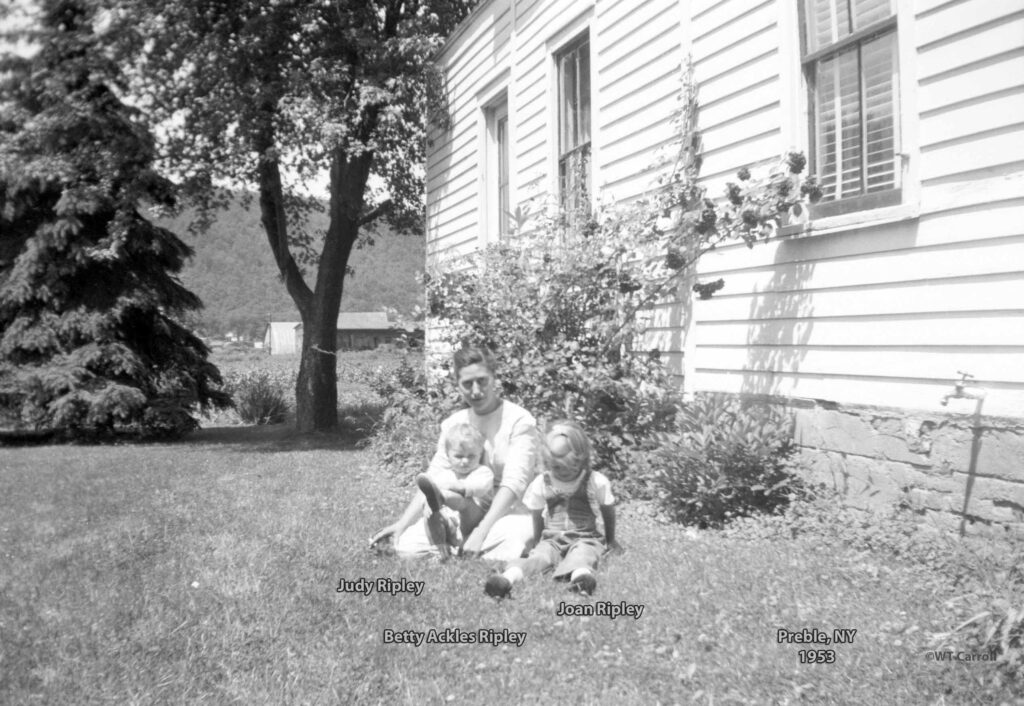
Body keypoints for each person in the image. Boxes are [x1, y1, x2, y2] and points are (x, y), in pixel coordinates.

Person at [369, 346, 540, 560]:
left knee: (516, 537)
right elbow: (433, 479)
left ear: (494, 378)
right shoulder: (455, 423)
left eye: (482, 381)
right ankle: (457, 544)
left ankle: (460, 545)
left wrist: (481, 531)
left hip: (506, 514)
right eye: (467, 383)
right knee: (405, 547)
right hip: (459, 513)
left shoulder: (519, 421)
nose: (476, 390)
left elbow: (515, 483)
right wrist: (402, 524)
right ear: (458, 384)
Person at [484, 420, 622, 599]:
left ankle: (581, 578)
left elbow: (608, 509)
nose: (561, 473)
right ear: (547, 461)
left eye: (568, 468)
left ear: (581, 459)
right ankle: (506, 579)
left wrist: (610, 539)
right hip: (552, 538)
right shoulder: (542, 482)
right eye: (555, 467)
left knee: (583, 554)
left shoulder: (595, 481)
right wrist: (538, 540)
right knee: (539, 558)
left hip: (585, 537)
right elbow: (536, 512)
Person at [413, 423, 493, 559]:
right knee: (431, 512)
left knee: (461, 499)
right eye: (459, 456)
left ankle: (440, 498)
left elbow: (478, 487)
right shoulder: (444, 475)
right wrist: (426, 503)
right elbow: (434, 489)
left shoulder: (482, 472)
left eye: (471, 456)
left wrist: (456, 487)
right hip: (449, 526)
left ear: (480, 454)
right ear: (448, 456)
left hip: (472, 522)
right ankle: (439, 549)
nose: (465, 461)